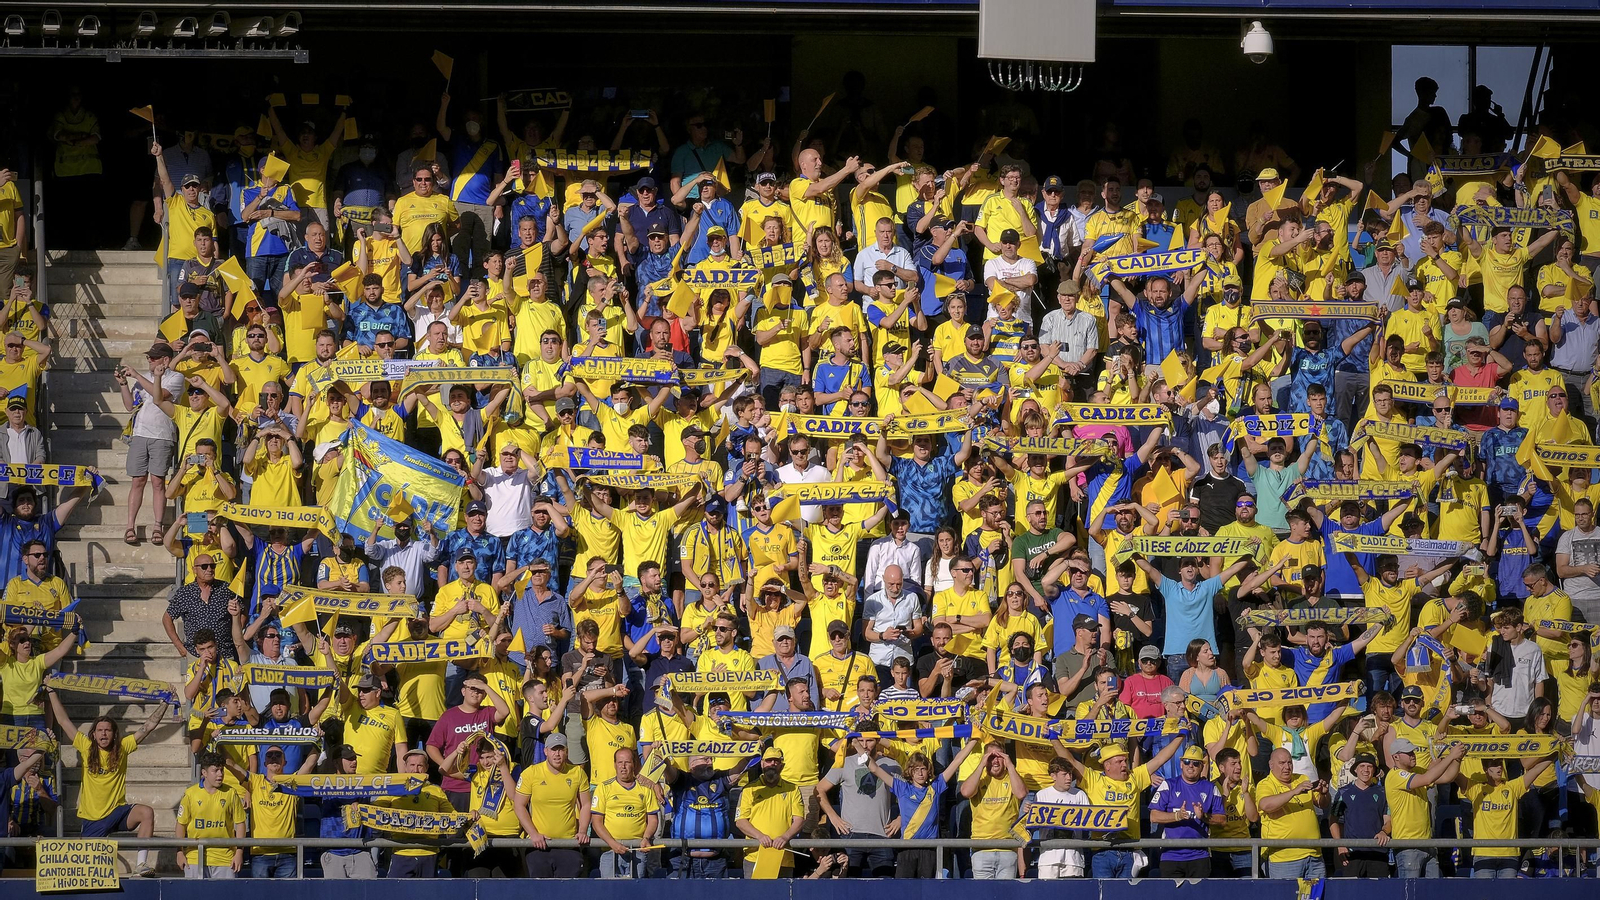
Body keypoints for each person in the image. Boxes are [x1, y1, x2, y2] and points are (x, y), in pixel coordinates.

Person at [43, 688, 163, 876]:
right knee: (85, 871)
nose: (104, 734)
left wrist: (165, 703)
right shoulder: (86, 746)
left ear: (114, 734)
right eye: (100, 730)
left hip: (117, 810)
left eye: (107, 730)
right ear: (94, 734)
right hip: (93, 818)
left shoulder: (123, 747)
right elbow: (63, 721)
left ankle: (141, 865)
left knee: (146, 812)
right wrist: (51, 691)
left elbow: (147, 727)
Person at [1149, 745, 1226, 878]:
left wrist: (1203, 817)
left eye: (1196, 763)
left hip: (1200, 856)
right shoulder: (1168, 785)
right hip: (1171, 856)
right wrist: (1178, 815)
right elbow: (1153, 816)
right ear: (1181, 764)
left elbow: (1222, 820)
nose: (1191, 766)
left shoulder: (1211, 788)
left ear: (1202, 766)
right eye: (1187, 762)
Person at [175, 752, 247, 879]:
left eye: (222, 770)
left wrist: (239, 852)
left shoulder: (231, 793)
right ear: (204, 773)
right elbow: (181, 824)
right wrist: (180, 852)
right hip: (195, 857)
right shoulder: (191, 794)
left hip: (225, 858)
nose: (220, 774)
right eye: (215, 771)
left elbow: (240, 823)